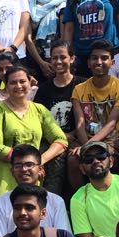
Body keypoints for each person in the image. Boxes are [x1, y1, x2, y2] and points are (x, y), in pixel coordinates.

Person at [0, 65, 68, 201]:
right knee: (6, 210)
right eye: (13, 82)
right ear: (6, 85)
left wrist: (39, 161)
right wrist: (25, 163)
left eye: (22, 81)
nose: (18, 86)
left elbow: (60, 140)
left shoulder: (39, 109)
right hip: (3, 168)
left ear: (30, 82)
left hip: (30, 171)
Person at [0, 144, 72, 237]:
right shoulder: (0, 202)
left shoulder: (56, 201)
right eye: (18, 166)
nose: (24, 169)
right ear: (12, 171)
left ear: (40, 169)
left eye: (29, 164)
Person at [33, 40, 83, 194]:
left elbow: (86, 117)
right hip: (50, 139)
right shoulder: (44, 89)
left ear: (72, 58)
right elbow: (38, 120)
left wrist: (72, 135)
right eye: (54, 58)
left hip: (76, 138)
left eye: (63, 57)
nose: (58, 61)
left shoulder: (81, 84)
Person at [70, 40, 119, 160]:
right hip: (87, 138)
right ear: (88, 63)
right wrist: (86, 146)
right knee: (73, 158)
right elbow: (80, 124)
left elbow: (111, 124)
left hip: (115, 139)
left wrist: (87, 147)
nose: (98, 62)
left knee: (102, 157)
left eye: (104, 58)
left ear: (112, 62)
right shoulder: (78, 89)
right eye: (94, 58)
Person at [70, 140, 119, 237]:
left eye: (101, 156)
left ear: (111, 161)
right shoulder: (78, 198)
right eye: (88, 159)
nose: (96, 161)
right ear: (82, 169)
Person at [24, 0, 66, 80]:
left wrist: (57, 61)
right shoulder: (28, 4)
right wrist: (41, 63)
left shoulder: (61, 4)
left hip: (57, 62)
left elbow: (64, 37)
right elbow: (27, 37)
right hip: (34, 62)